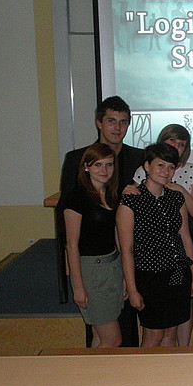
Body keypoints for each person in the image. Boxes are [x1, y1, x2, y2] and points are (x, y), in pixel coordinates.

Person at [58, 95, 143, 347]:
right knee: (108, 334)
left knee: (120, 328)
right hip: (90, 265)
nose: (117, 127)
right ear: (99, 123)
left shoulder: (139, 158)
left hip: (120, 258)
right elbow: (69, 228)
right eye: (111, 121)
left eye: (123, 122)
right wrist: (73, 280)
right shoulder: (76, 158)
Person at [116, 143, 193, 347]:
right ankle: (146, 370)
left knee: (171, 333)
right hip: (149, 278)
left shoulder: (176, 198)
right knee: (154, 335)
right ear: (147, 166)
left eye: (170, 167)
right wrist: (132, 289)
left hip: (178, 275)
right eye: (160, 165)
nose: (165, 171)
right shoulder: (130, 201)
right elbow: (126, 250)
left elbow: (185, 238)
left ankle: (168, 370)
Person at [63, 143, 123, 348]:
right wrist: (78, 286)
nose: (104, 170)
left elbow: (116, 235)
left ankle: (92, 369)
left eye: (109, 164)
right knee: (113, 339)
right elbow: (72, 245)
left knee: (99, 336)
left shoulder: (112, 194)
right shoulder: (76, 197)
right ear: (86, 167)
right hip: (91, 272)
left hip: (112, 266)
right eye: (98, 165)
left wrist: (124, 275)